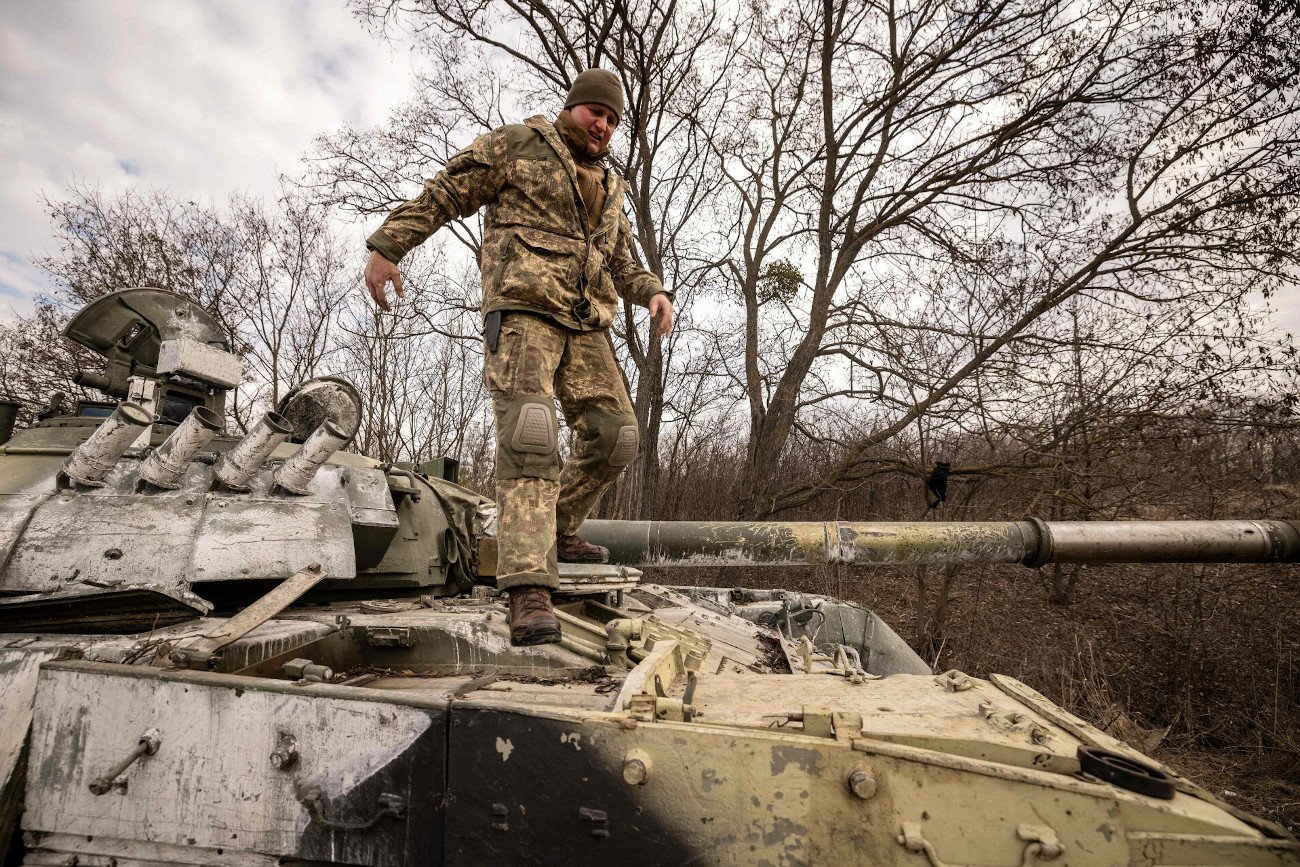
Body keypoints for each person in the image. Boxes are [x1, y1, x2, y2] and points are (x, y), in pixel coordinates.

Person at [363, 69, 674, 646]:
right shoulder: (518, 144)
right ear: (572, 107)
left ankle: (552, 528)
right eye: (593, 112)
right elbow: (448, 190)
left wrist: (653, 290)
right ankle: (529, 584)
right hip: (524, 310)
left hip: (585, 322)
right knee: (532, 437)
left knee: (618, 436)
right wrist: (389, 244)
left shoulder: (610, 184)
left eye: (611, 119)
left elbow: (621, 260)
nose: (602, 125)